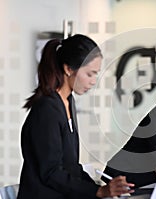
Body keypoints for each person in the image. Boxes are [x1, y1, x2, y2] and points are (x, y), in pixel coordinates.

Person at [17, 34, 134, 199]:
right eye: (89, 74)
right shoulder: (47, 111)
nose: (93, 81)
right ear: (68, 69)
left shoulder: (68, 101)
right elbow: (51, 173)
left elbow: (71, 168)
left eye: (96, 74)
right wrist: (98, 191)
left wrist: (102, 188)